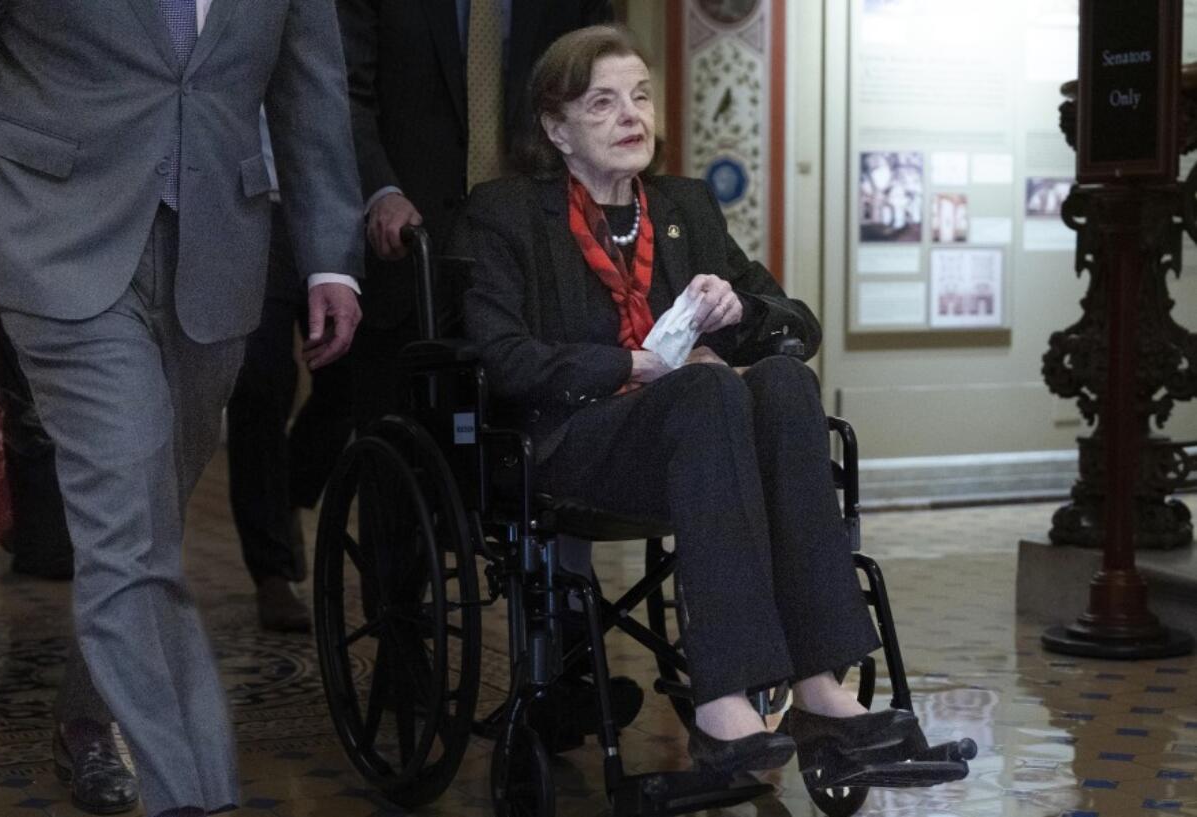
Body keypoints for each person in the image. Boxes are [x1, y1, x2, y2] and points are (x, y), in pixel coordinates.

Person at [458, 25, 920, 776]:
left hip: (698, 445)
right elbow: (501, 358)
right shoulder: (506, 213)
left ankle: (816, 681)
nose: (631, 115)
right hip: (574, 442)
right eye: (602, 103)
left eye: (639, 96)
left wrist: (741, 310)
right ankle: (722, 700)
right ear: (555, 128)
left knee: (782, 379)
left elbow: (796, 322)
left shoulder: (684, 206)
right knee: (705, 388)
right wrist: (633, 364)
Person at [0, 2, 364, 816]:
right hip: (54, 234)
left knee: (147, 518)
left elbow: (310, 90)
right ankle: (191, 794)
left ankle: (88, 710)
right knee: (129, 515)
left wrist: (332, 258)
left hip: (217, 249)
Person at [336, 0, 637, 752]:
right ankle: (404, 658)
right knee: (399, 473)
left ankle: (568, 659)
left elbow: (596, 73)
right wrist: (379, 191)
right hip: (414, 252)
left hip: (543, 253)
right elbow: (346, 95)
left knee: (554, 450)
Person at [226, 119, 355, 634]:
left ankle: (285, 496)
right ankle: (272, 572)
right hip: (246, 210)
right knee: (260, 387)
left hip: (327, 208)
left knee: (346, 379)